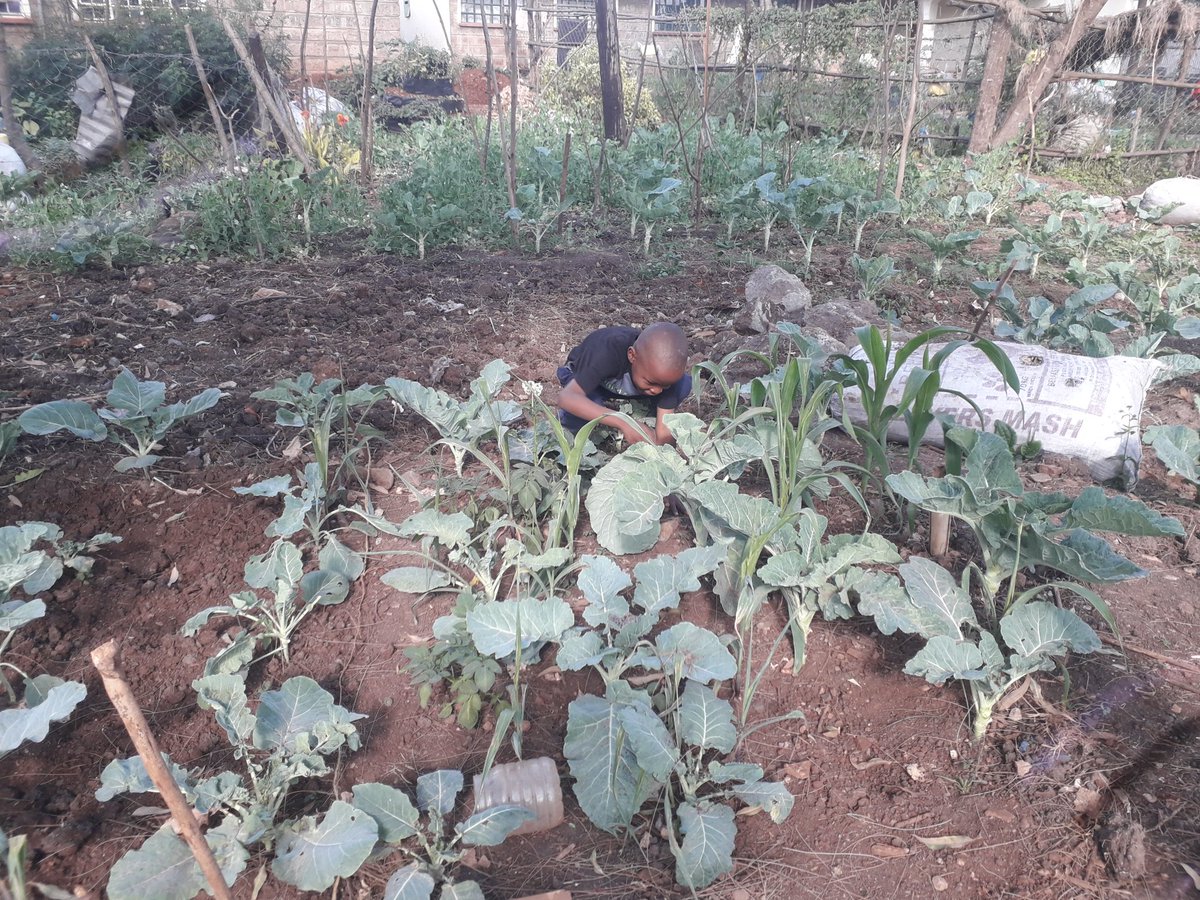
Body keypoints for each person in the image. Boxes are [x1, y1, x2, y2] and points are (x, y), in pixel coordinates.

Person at [556, 322, 692, 445]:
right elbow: (567, 398)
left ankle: (641, 414)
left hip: (626, 387)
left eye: (664, 386)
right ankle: (568, 432)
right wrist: (623, 421)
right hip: (588, 381)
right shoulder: (607, 351)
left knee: (682, 385)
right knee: (588, 404)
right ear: (632, 356)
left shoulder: (664, 375)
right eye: (651, 382)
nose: (657, 391)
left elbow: (664, 433)